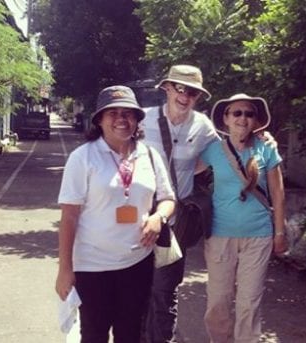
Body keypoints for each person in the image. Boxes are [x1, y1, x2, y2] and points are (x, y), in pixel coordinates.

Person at [55, 85, 176, 343]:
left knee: (131, 334)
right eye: (113, 113)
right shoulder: (83, 157)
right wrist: (65, 269)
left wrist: (158, 218)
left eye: (128, 113)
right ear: (99, 119)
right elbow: (69, 217)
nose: (122, 119)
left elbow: (168, 198)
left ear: (137, 120)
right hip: (92, 266)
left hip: (137, 264)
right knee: (94, 335)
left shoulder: (150, 155)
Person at [200, 93, 289, 343]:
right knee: (218, 300)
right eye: (236, 113)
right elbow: (183, 171)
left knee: (249, 301)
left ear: (256, 120)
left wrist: (279, 232)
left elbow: (278, 194)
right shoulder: (211, 151)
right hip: (219, 234)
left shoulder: (266, 148)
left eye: (249, 113)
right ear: (226, 118)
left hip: (258, 235)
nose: (242, 117)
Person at [141, 64, 218, 343]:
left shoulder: (203, 127)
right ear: (167, 88)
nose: (185, 97)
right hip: (136, 223)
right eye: (180, 89)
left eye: (193, 93)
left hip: (174, 227)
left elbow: (224, 153)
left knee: (164, 292)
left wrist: (261, 136)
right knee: (136, 291)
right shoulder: (143, 120)